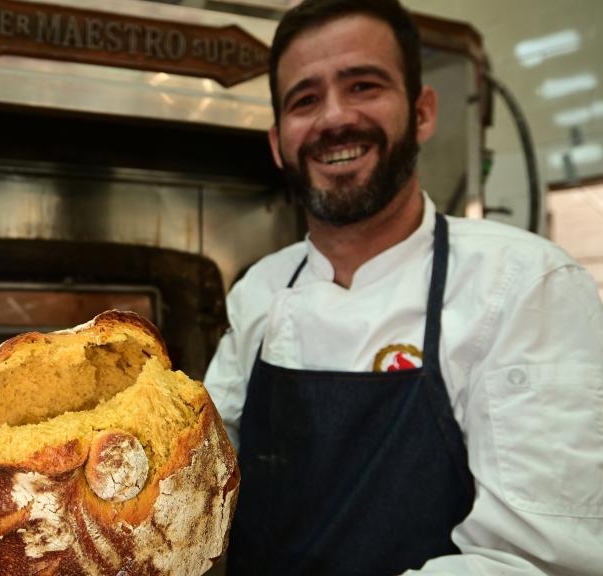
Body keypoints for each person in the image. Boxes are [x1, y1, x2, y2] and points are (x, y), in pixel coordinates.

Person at [203, 0, 603, 574]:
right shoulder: (261, 290)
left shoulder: (523, 286)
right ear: (277, 141)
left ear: (422, 113)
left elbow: (535, 562)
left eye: (363, 85)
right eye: (305, 99)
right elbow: (201, 476)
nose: (334, 118)